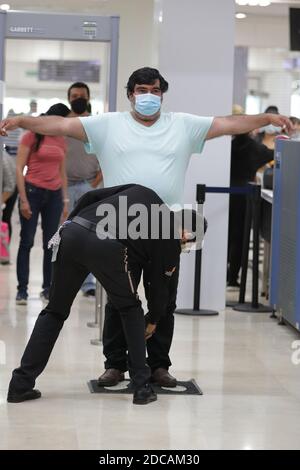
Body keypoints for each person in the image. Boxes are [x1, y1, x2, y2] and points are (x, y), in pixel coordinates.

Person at [0, 67, 293, 386]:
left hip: (165, 225)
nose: (149, 96)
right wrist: (21, 121)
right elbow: (61, 124)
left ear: (163, 94)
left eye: (155, 90)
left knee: (164, 298)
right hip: (117, 224)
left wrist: (266, 118)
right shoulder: (108, 125)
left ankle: (158, 365)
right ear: (130, 94)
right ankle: (115, 364)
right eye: (142, 90)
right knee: (118, 297)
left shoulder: (182, 125)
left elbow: (227, 123)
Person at [7, 184, 196, 405]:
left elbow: (90, 195)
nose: (183, 245)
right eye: (186, 242)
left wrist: (71, 224)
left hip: (71, 232)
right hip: (104, 242)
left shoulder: (143, 193)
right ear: (185, 233)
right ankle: (142, 388)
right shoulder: (169, 237)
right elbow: (159, 288)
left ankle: (20, 385)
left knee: (55, 311)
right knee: (131, 309)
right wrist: (153, 320)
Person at [14, 103, 70, 305]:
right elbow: (19, 168)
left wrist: (65, 200)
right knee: (27, 241)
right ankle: (22, 290)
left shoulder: (62, 140)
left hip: (54, 195)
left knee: (50, 243)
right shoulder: (31, 135)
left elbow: (62, 172)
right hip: (32, 191)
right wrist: (23, 199)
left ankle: (48, 288)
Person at [227, 106, 274, 288]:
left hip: (226, 193)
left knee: (227, 234)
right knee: (240, 236)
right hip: (244, 195)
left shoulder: (227, 147)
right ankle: (233, 277)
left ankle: (221, 272)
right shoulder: (254, 147)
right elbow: (272, 155)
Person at [66, 82, 102, 297]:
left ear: (88, 98)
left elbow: (106, 157)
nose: (77, 98)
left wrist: (94, 185)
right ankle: (62, 282)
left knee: (89, 236)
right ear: (68, 98)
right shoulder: (61, 124)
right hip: (62, 189)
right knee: (63, 237)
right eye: (74, 95)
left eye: (81, 95)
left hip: (88, 187)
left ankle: (88, 284)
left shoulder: (95, 124)